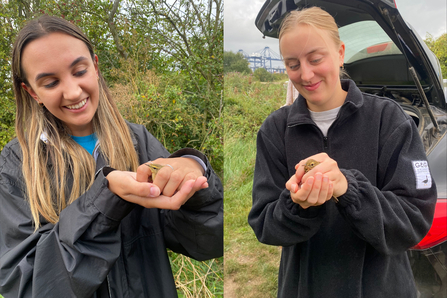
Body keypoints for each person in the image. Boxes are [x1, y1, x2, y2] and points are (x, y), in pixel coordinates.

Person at [0, 15, 223, 298]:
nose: (72, 91)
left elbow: (207, 243)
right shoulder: (14, 167)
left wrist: (196, 171)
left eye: (79, 71)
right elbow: (27, 284)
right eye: (51, 82)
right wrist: (105, 200)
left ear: (95, 66)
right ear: (32, 92)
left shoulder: (138, 141)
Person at [248, 7, 437, 298]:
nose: (306, 74)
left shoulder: (389, 120)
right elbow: (264, 225)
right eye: (293, 64)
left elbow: (414, 220)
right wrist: (298, 205)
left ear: (340, 53)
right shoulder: (275, 130)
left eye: (315, 58)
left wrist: (348, 188)